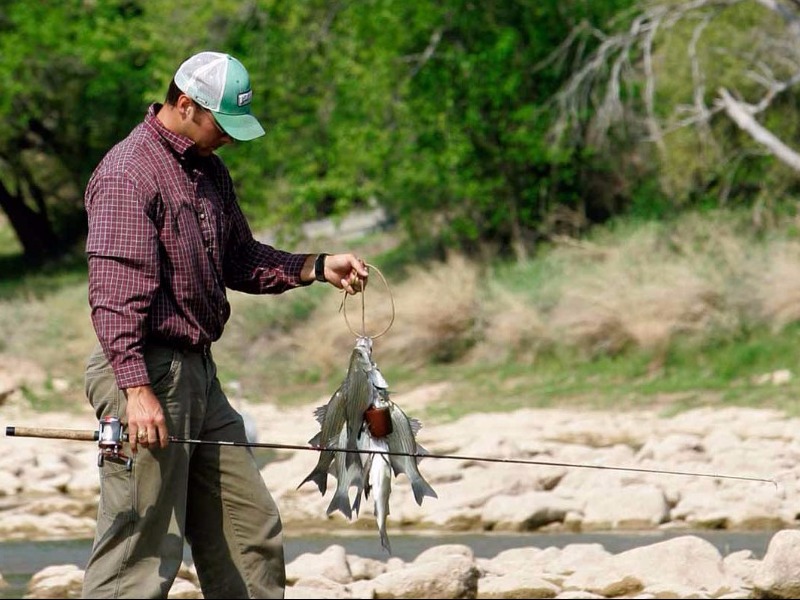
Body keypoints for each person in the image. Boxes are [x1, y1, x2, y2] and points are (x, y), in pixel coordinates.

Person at [81, 51, 369, 599]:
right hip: (144, 374)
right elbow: (114, 297)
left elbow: (240, 257)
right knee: (141, 548)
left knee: (250, 531)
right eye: (222, 125)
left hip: (199, 377)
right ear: (184, 104)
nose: (230, 139)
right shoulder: (127, 173)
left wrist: (314, 266)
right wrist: (136, 391)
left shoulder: (208, 168)